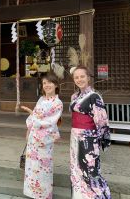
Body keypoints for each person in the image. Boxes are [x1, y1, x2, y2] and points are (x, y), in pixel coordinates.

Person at [70, 66, 111, 199]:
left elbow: (101, 120)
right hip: (75, 136)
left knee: (90, 170)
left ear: (88, 77)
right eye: (76, 77)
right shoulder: (75, 96)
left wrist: (101, 139)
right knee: (77, 168)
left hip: (89, 139)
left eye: (82, 76)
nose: (79, 79)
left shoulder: (95, 96)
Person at [20, 72, 63, 199]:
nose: (46, 85)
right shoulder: (41, 99)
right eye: (44, 83)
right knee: (32, 166)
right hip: (34, 137)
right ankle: (32, 193)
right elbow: (34, 117)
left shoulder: (57, 102)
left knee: (43, 167)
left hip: (45, 139)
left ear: (56, 85)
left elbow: (50, 122)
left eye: (49, 82)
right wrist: (28, 130)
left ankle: (43, 195)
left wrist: (33, 116)